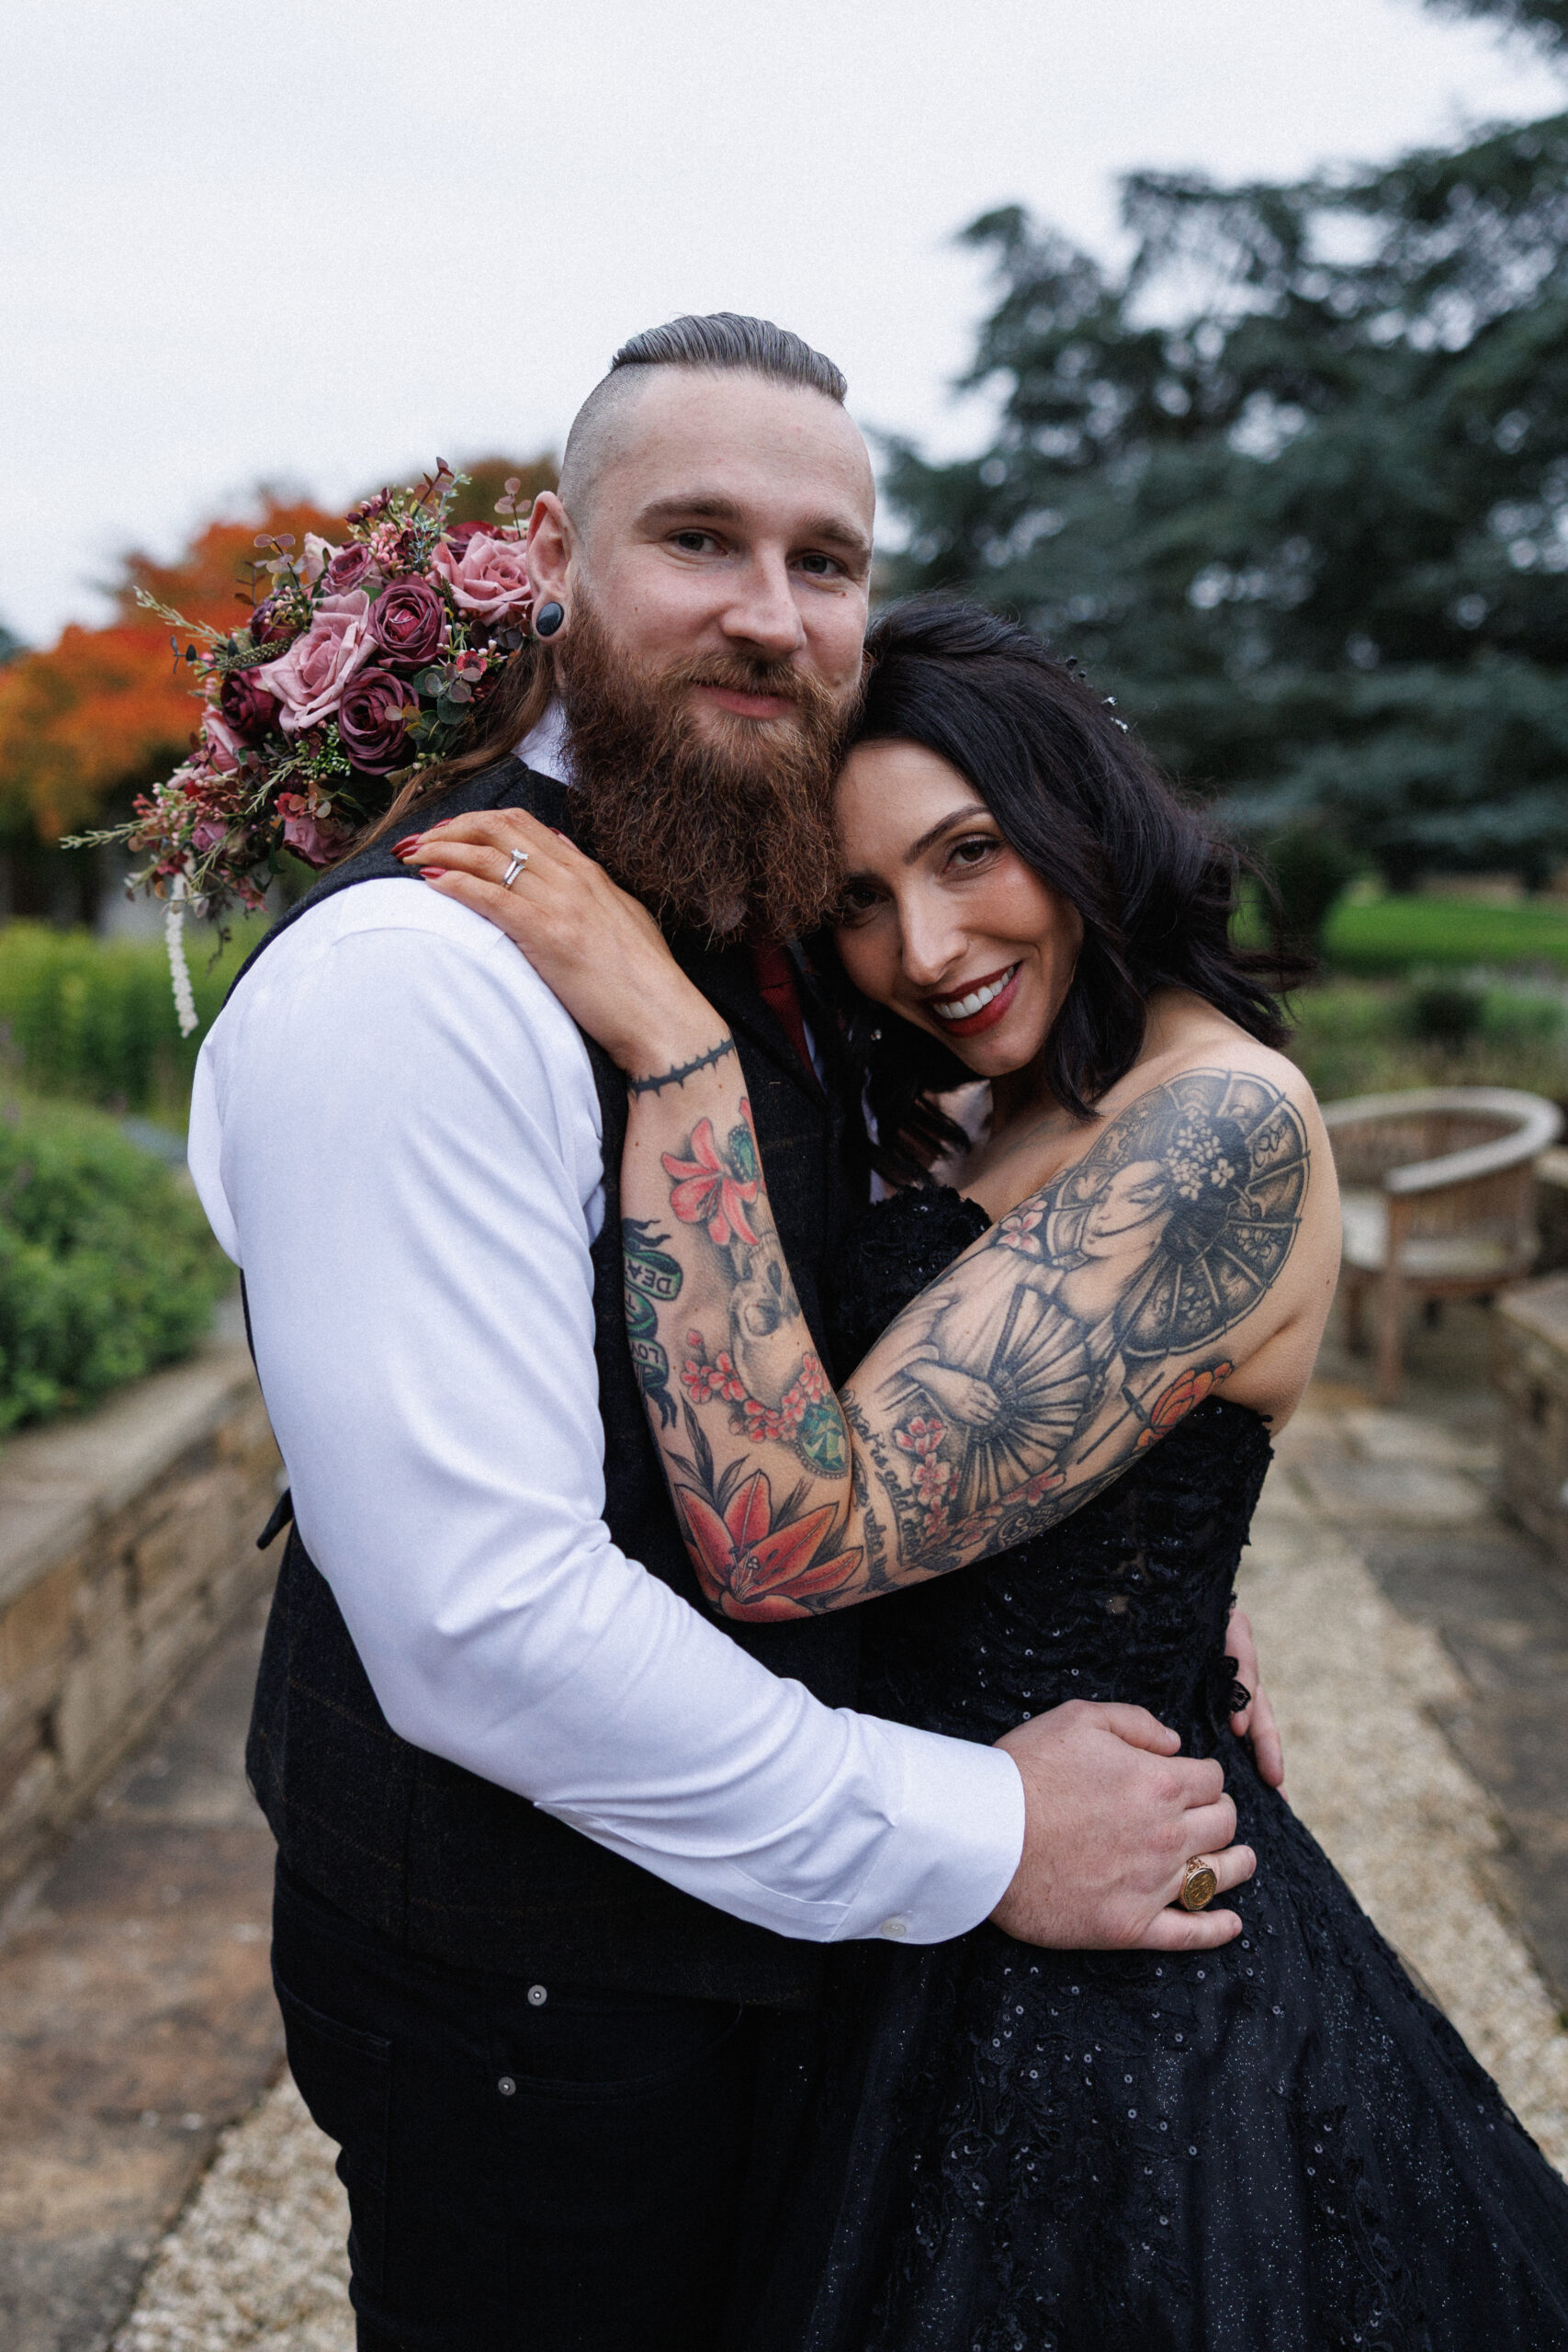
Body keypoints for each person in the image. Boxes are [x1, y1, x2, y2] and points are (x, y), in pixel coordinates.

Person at [187, 320, 1269, 2352]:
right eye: (699, 538)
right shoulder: (420, 982)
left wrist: (1131, 1578)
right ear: (557, 564)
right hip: (542, 2006)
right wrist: (985, 1830)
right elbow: (487, 1620)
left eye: (824, 559)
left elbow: (905, 1333)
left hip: (792, 1943)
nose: (770, 611)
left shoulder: (762, 900)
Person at [415, 598, 1568, 2347]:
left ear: (1078, 814)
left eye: (970, 853)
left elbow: (791, 1539)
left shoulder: (1223, 1127)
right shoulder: (983, 1100)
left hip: (1095, 1982)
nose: (929, 947)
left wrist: (674, 1046)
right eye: (859, 901)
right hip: (907, 1883)